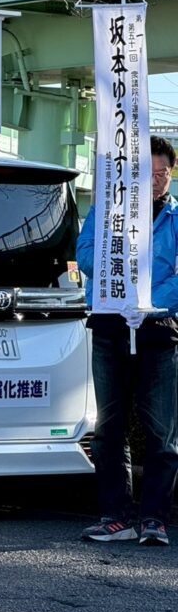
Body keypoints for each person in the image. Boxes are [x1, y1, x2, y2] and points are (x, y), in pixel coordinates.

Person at [77, 135, 178, 546]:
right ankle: (115, 516)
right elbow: (85, 254)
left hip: (159, 331)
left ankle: (155, 518)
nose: (155, 180)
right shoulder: (106, 209)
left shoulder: (176, 218)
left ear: (171, 174)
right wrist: (116, 270)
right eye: (147, 173)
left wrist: (151, 304)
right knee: (109, 427)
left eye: (162, 173)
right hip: (110, 327)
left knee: (162, 432)